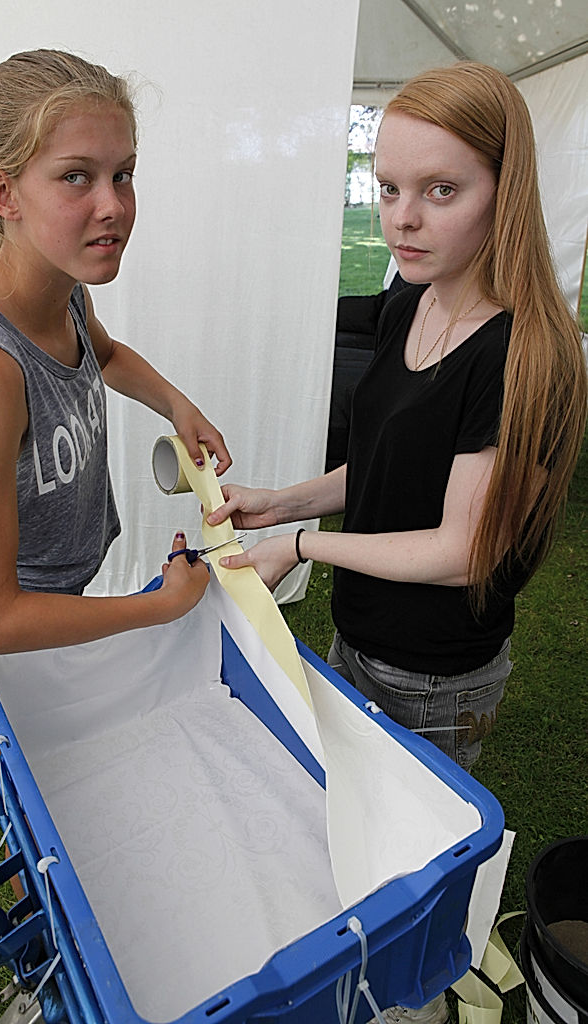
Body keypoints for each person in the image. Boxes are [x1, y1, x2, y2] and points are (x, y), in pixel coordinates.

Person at [209, 61, 587, 774]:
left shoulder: (525, 356)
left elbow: (462, 553)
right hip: (358, 634)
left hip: (434, 676)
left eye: (440, 190)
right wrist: (281, 501)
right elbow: (390, 468)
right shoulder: (410, 297)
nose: (401, 217)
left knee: (413, 852)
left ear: (506, 192)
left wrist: (300, 547)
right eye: (388, 188)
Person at [0, 49, 230, 717]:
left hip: (56, 596)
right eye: (76, 177)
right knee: (30, 777)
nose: (112, 205)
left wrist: (177, 405)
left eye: (124, 174)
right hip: (11, 625)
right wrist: (159, 606)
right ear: (4, 194)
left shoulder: (66, 294)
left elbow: (106, 355)